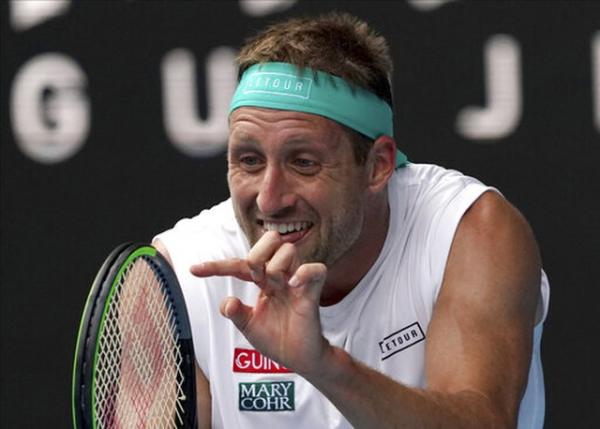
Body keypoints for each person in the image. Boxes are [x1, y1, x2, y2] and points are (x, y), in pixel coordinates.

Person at [154, 12, 549, 429]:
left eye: (304, 162)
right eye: (249, 161)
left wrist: (323, 364)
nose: (269, 200)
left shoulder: (467, 232)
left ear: (378, 165)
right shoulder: (181, 275)